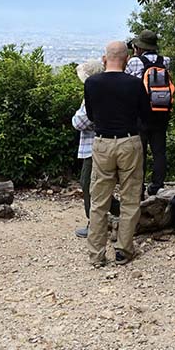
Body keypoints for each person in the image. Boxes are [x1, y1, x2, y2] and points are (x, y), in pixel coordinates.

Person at [85, 41, 151, 266]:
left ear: (106, 57)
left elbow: (92, 115)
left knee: (99, 201)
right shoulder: (134, 84)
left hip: (103, 142)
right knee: (130, 198)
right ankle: (124, 249)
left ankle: (96, 254)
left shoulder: (92, 83)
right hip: (129, 141)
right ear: (126, 58)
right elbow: (146, 115)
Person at [71, 60, 120, 238]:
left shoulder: (92, 94)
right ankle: (119, 213)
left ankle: (96, 222)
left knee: (88, 183)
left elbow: (80, 122)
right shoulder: (111, 91)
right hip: (110, 144)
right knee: (100, 185)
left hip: (93, 147)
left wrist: (75, 116)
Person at [124, 29, 172, 197]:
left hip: (140, 113)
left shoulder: (135, 62)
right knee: (159, 151)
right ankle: (157, 185)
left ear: (139, 46)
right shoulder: (165, 60)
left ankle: (140, 187)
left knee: (140, 152)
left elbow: (127, 82)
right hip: (161, 112)